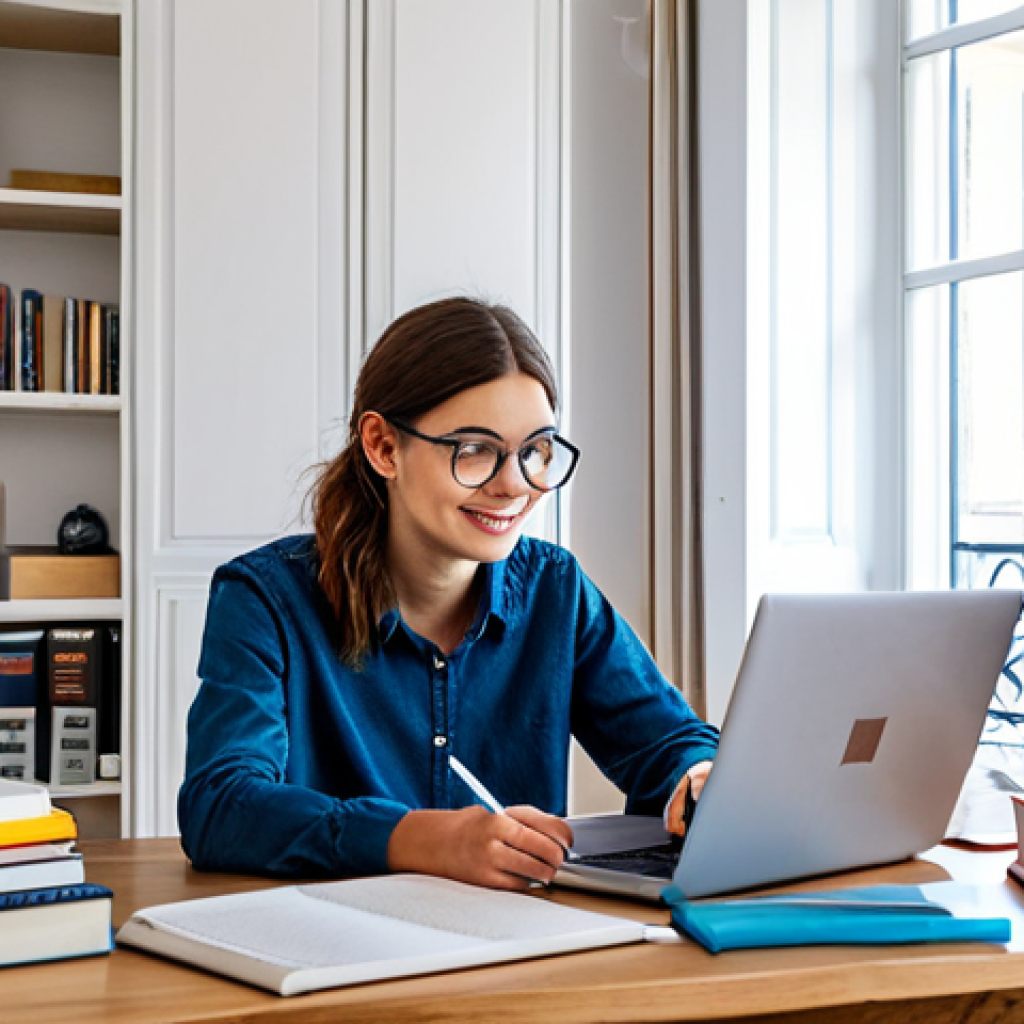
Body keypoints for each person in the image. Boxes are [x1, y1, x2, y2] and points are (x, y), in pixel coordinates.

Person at [178, 296, 719, 890]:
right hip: (332, 937)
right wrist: (419, 839)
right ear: (384, 446)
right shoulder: (264, 599)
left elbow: (670, 742)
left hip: (518, 937)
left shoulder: (555, 589)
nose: (514, 485)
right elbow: (220, 806)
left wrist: (699, 776)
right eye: (475, 450)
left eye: (534, 451)